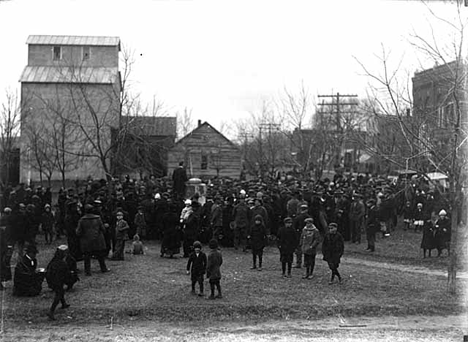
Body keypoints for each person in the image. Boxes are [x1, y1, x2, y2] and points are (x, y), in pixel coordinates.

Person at [76, 204, 110, 276]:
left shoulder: (82, 220)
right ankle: (103, 268)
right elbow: (103, 229)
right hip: (98, 240)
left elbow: (78, 232)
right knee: (100, 256)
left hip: (86, 242)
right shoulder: (98, 218)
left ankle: (87, 271)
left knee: (87, 257)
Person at [45, 245, 71, 320]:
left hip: (53, 279)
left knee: (60, 292)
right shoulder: (62, 263)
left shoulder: (54, 261)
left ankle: (63, 304)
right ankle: (51, 311)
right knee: (59, 294)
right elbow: (65, 273)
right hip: (57, 280)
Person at [292, 204, 310, 268]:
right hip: (308, 234)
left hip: (299, 233)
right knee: (306, 248)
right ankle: (306, 262)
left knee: (298, 248)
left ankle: (298, 263)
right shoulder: (309, 217)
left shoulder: (298, 217)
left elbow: (294, 227)